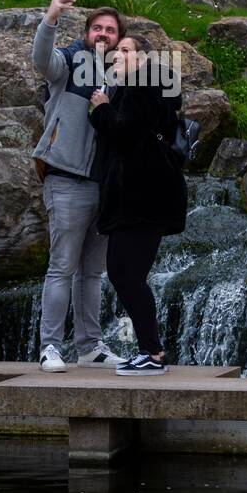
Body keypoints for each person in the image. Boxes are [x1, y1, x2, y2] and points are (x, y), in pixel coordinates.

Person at [31, 0, 129, 372]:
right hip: (66, 178)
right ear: (87, 33)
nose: (103, 34)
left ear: (119, 39)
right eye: (97, 29)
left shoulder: (122, 77)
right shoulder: (69, 62)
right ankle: (50, 347)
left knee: (92, 272)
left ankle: (89, 346)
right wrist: (51, 14)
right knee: (62, 267)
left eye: (111, 30)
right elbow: (41, 60)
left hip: (104, 185)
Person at [89, 35, 187, 376]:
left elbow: (123, 131)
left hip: (145, 198)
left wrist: (101, 106)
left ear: (143, 58)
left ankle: (153, 352)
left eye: (126, 51)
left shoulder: (142, 85)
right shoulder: (145, 86)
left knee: (127, 274)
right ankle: (149, 350)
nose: (117, 56)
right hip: (141, 199)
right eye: (116, 53)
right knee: (123, 272)